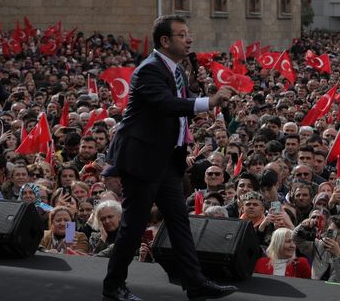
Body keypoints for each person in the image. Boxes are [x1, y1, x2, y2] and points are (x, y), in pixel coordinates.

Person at [102, 15, 238, 301]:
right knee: (134, 225)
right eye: (182, 35)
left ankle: (195, 283)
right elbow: (166, 104)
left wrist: (202, 94)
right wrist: (207, 102)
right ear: (165, 40)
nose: (189, 39)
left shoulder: (175, 70)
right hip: (143, 160)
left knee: (179, 220)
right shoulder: (149, 70)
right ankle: (113, 285)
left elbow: (181, 101)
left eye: (189, 34)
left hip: (166, 161)